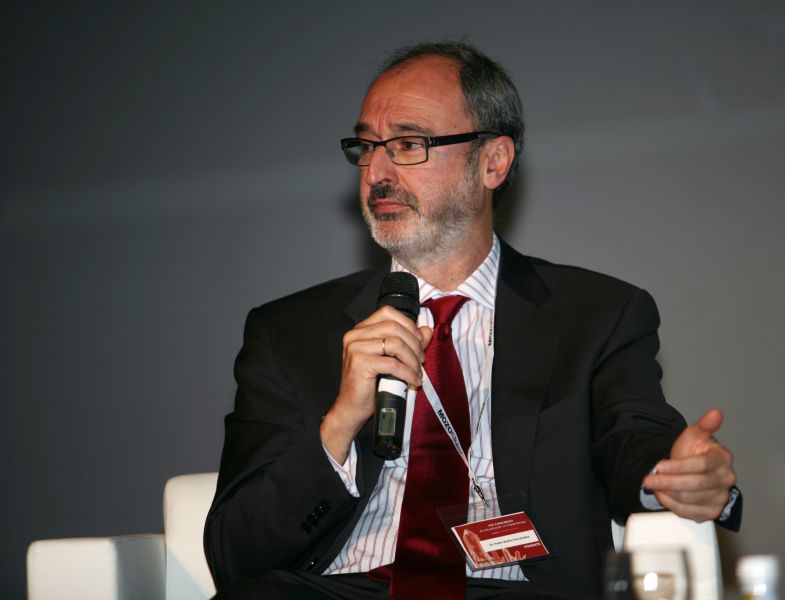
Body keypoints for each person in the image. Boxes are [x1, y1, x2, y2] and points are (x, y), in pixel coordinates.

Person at [204, 41, 741, 600]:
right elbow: (232, 555)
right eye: (367, 146)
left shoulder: (596, 314)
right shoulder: (286, 332)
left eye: (408, 144)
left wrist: (677, 474)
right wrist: (339, 423)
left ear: (493, 161)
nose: (377, 172)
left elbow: (632, 436)